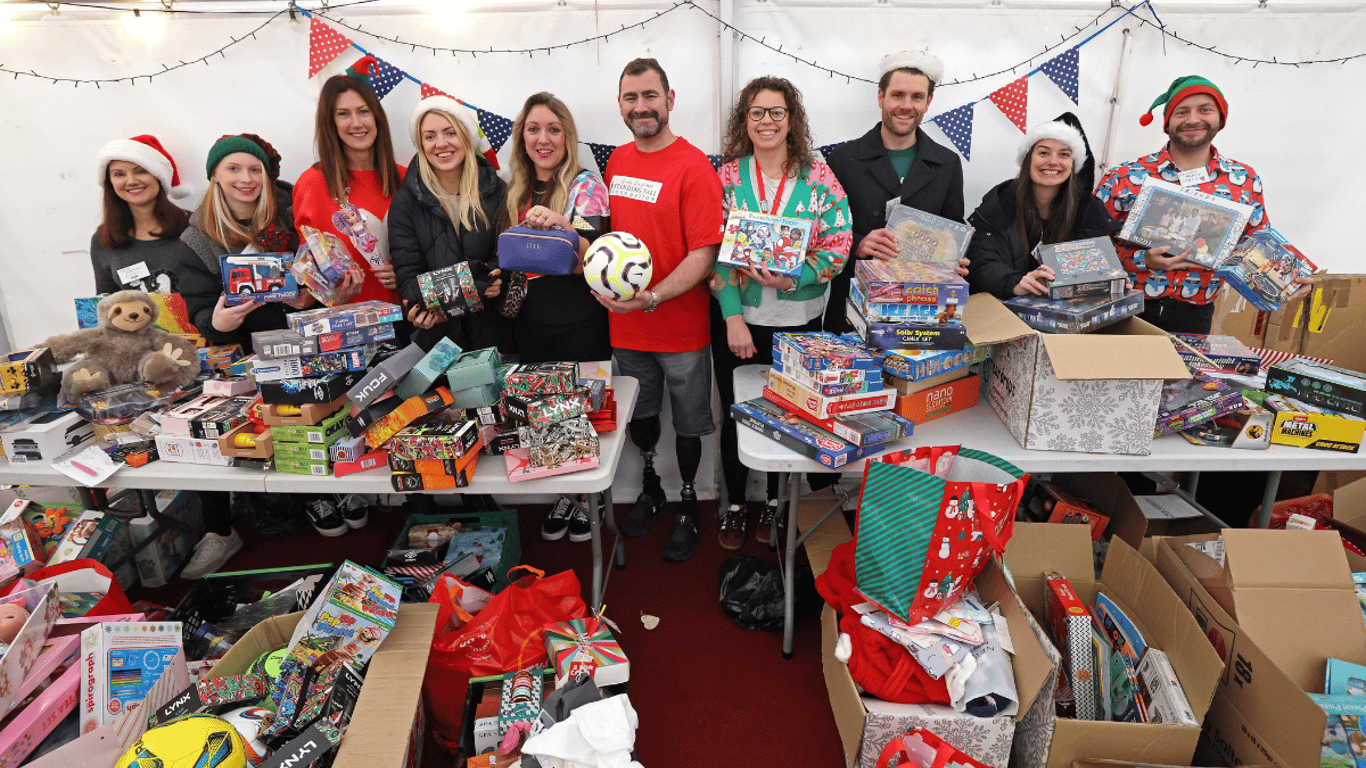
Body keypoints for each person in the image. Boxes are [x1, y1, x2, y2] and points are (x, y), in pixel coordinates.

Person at [175, 134, 368, 548]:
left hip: (307, 339)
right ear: (214, 175)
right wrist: (219, 321)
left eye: (254, 169)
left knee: (328, 411)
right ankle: (313, 496)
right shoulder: (197, 238)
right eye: (233, 169)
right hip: (251, 353)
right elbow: (201, 312)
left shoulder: (289, 214)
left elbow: (319, 273)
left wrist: (312, 294)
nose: (246, 179)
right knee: (285, 423)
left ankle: (341, 481)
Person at [710, 76, 852, 550]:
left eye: (776, 112)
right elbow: (715, 251)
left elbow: (838, 245)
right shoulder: (728, 178)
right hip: (740, 323)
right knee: (738, 413)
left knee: (788, 417)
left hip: (800, 324)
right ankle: (735, 503)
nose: (766, 121)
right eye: (757, 112)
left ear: (792, 120)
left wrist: (794, 278)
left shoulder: (819, 177)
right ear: (744, 120)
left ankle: (774, 501)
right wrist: (732, 316)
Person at [601, 58, 724, 563]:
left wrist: (652, 297)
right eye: (631, 97)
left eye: (650, 95)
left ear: (669, 100)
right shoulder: (616, 162)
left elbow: (704, 254)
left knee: (690, 425)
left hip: (681, 330)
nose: (641, 106)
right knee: (642, 416)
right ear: (620, 105)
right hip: (626, 328)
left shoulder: (694, 167)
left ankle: (689, 501)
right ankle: (651, 486)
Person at [1096, 75, 1311, 333]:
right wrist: (1142, 259)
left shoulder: (1244, 180)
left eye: (1205, 110)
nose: (1192, 119)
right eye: (1181, 112)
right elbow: (1086, 246)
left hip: (1194, 315)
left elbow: (1255, 246)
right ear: (1167, 123)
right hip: (1122, 306)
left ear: (1220, 118)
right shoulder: (1124, 176)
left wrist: (1289, 281)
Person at [503, 92, 612, 545]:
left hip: (580, 321)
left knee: (586, 414)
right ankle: (566, 495)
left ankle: (590, 497)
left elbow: (596, 255)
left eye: (553, 129)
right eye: (533, 129)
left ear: (567, 136)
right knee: (545, 418)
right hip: (530, 323)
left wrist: (560, 226)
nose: (543, 139)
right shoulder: (514, 188)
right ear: (522, 137)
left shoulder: (587, 186)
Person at [823, 48, 967, 333]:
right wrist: (858, 244)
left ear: (928, 102)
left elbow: (953, 229)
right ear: (881, 97)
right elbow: (823, 232)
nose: (906, 105)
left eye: (917, 97)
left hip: (920, 313)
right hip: (852, 311)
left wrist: (955, 260)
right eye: (897, 95)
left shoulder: (947, 163)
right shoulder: (843, 159)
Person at [390, 95, 507, 352]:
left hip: (495, 338)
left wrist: (496, 276)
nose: (441, 143)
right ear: (421, 143)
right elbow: (409, 279)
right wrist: (417, 310)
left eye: (450, 132)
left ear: (466, 136)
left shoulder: (496, 190)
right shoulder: (405, 202)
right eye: (430, 136)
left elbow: (506, 255)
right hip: (438, 344)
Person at [293, 59, 408, 311]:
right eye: (343, 114)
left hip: (410, 317)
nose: (356, 123)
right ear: (330, 122)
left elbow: (427, 252)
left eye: (363, 111)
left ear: (377, 117)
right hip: (350, 320)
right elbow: (309, 268)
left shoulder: (405, 177)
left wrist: (407, 273)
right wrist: (333, 294)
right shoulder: (311, 184)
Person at [966, 113, 1118, 299]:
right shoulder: (1000, 202)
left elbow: (1100, 265)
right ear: (1028, 158)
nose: (1053, 162)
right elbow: (979, 261)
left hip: (1069, 309)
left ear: (1073, 164)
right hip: (1005, 308)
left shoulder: (1089, 210)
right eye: (1044, 153)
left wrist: (1114, 279)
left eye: (1064, 154)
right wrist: (1015, 283)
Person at [90, 135, 191, 295]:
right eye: (119, 174)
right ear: (110, 182)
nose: (131, 181)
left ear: (158, 176)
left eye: (140, 171)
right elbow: (107, 302)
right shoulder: (103, 240)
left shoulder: (197, 227)